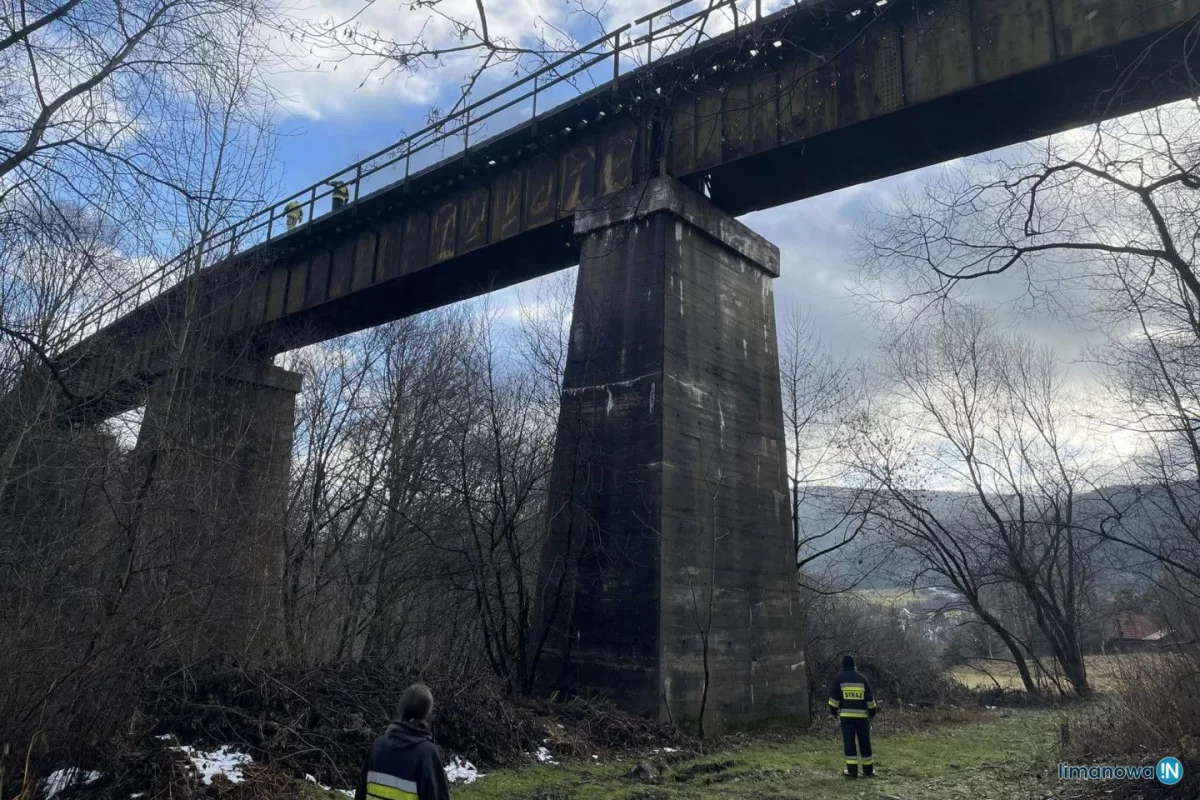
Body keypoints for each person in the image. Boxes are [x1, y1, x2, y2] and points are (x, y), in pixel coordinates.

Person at [355, 684, 451, 800]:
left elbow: (360, 794)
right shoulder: (427, 754)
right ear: (426, 714)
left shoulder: (377, 746)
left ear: (401, 708)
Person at [827, 654, 877, 778]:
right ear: (854, 665)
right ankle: (868, 771)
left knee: (849, 744)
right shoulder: (862, 678)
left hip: (847, 717)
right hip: (862, 717)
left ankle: (852, 771)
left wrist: (833, 712)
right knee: (865, 743)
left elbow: (834, 700)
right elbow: (870, 700)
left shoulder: (840, 678)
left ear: (843, 665)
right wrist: (872, 713)